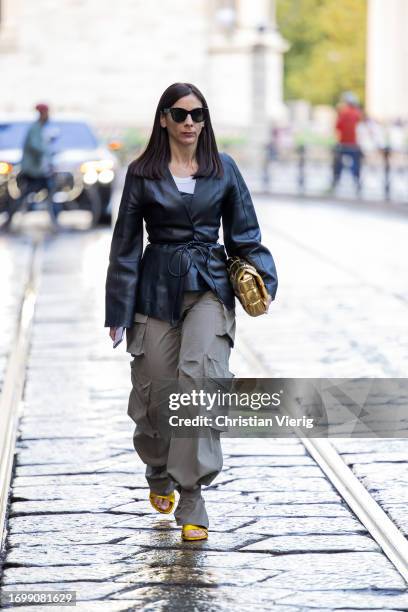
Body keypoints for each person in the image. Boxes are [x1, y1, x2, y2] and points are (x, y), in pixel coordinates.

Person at [104, 82, 278, 541]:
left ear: (206, 120)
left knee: (198, 380)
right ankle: (158, 466)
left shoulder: (225, 170)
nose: (189, 123)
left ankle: (192, 493)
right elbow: (125, 246)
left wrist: (263, 279)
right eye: (179, 115)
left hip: (209, 287)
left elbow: (245, 233)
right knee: (157, 393)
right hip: (155, 288)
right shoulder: (142, 173)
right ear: (163, 118)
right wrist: (118, 309)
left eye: (198, 115)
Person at [3, 103, 60, 231]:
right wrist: (47, 150)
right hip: (33, 171)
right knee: (26, 195)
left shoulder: (40, 128)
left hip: (38, 170)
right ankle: (9, 219)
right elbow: (36, 147)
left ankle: (54, 220)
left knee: (48, 192)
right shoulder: (35, 128)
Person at [331, 92, 363, 195]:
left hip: (344, 143)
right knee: (355, 165)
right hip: (354, 143)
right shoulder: (358, 113)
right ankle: (357, 183)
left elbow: (337, 127)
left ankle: (336, 182)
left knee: (338, 165)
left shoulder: (343, 113)